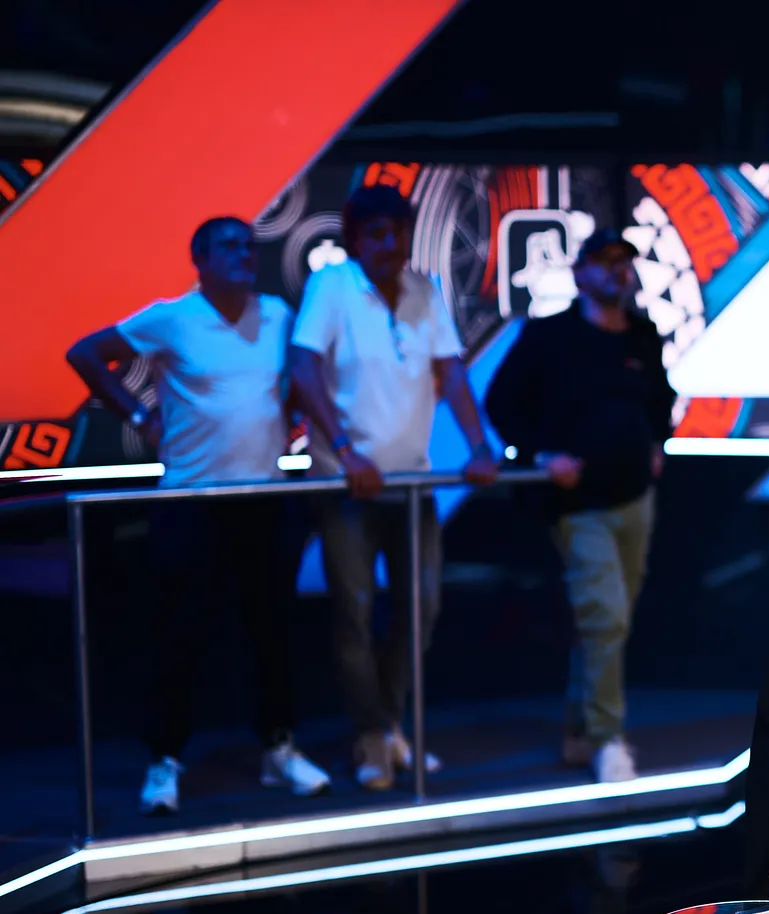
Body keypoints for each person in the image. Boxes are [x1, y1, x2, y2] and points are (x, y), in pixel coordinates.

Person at [66, 216, 330, 814]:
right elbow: (85, 353)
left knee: (272, 635)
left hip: (264, 498)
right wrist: (138, 417)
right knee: (180, 637)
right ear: (200, 259)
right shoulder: (173, 317)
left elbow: (294, 382)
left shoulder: (277, 314)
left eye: (249, 246)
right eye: (229, 246)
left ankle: (278, 746)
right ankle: (164, 758)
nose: (244, 254)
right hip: (191, 501)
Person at [287, 184, 499, 791]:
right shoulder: (333, 286)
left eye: (398, 231)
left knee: (421, 609)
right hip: (346, 486)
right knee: (353, 614)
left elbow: (451, 372)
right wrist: (345, 449)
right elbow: (302, 368)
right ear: (355, 240)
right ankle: (371, 735)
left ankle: (389, 723)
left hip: (412, 485)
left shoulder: (424, 291)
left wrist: (479, 445)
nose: (390, 243)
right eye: (376, 233)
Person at [485, 228, 677, 784]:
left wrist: (656, 443)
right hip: (577, 502)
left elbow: (660, 398)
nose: (617, 270)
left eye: (624, 261)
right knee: (605, 616)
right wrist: (541, 454)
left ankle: (578, 730)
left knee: (610, 622)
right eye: (605, 261)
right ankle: (607, 737)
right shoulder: (550, 336)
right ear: (580, 272)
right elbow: (501, 402)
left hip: (635, 497)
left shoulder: (642, 334)